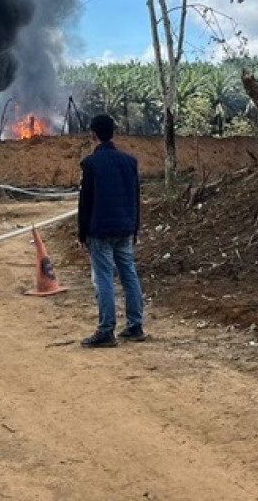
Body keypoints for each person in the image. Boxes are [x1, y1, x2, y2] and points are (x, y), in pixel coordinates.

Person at [77, 113, 147, 348]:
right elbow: (136, 198)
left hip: (101, 231)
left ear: (93, 135)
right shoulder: (130, 161)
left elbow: (85, 202)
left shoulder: (90, 164)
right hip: (126, 228)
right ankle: (135, 325)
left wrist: (81, 232)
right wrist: (135, 227)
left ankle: (106, 330)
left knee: (104, 279)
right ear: (113, 133)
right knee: (129, 274)